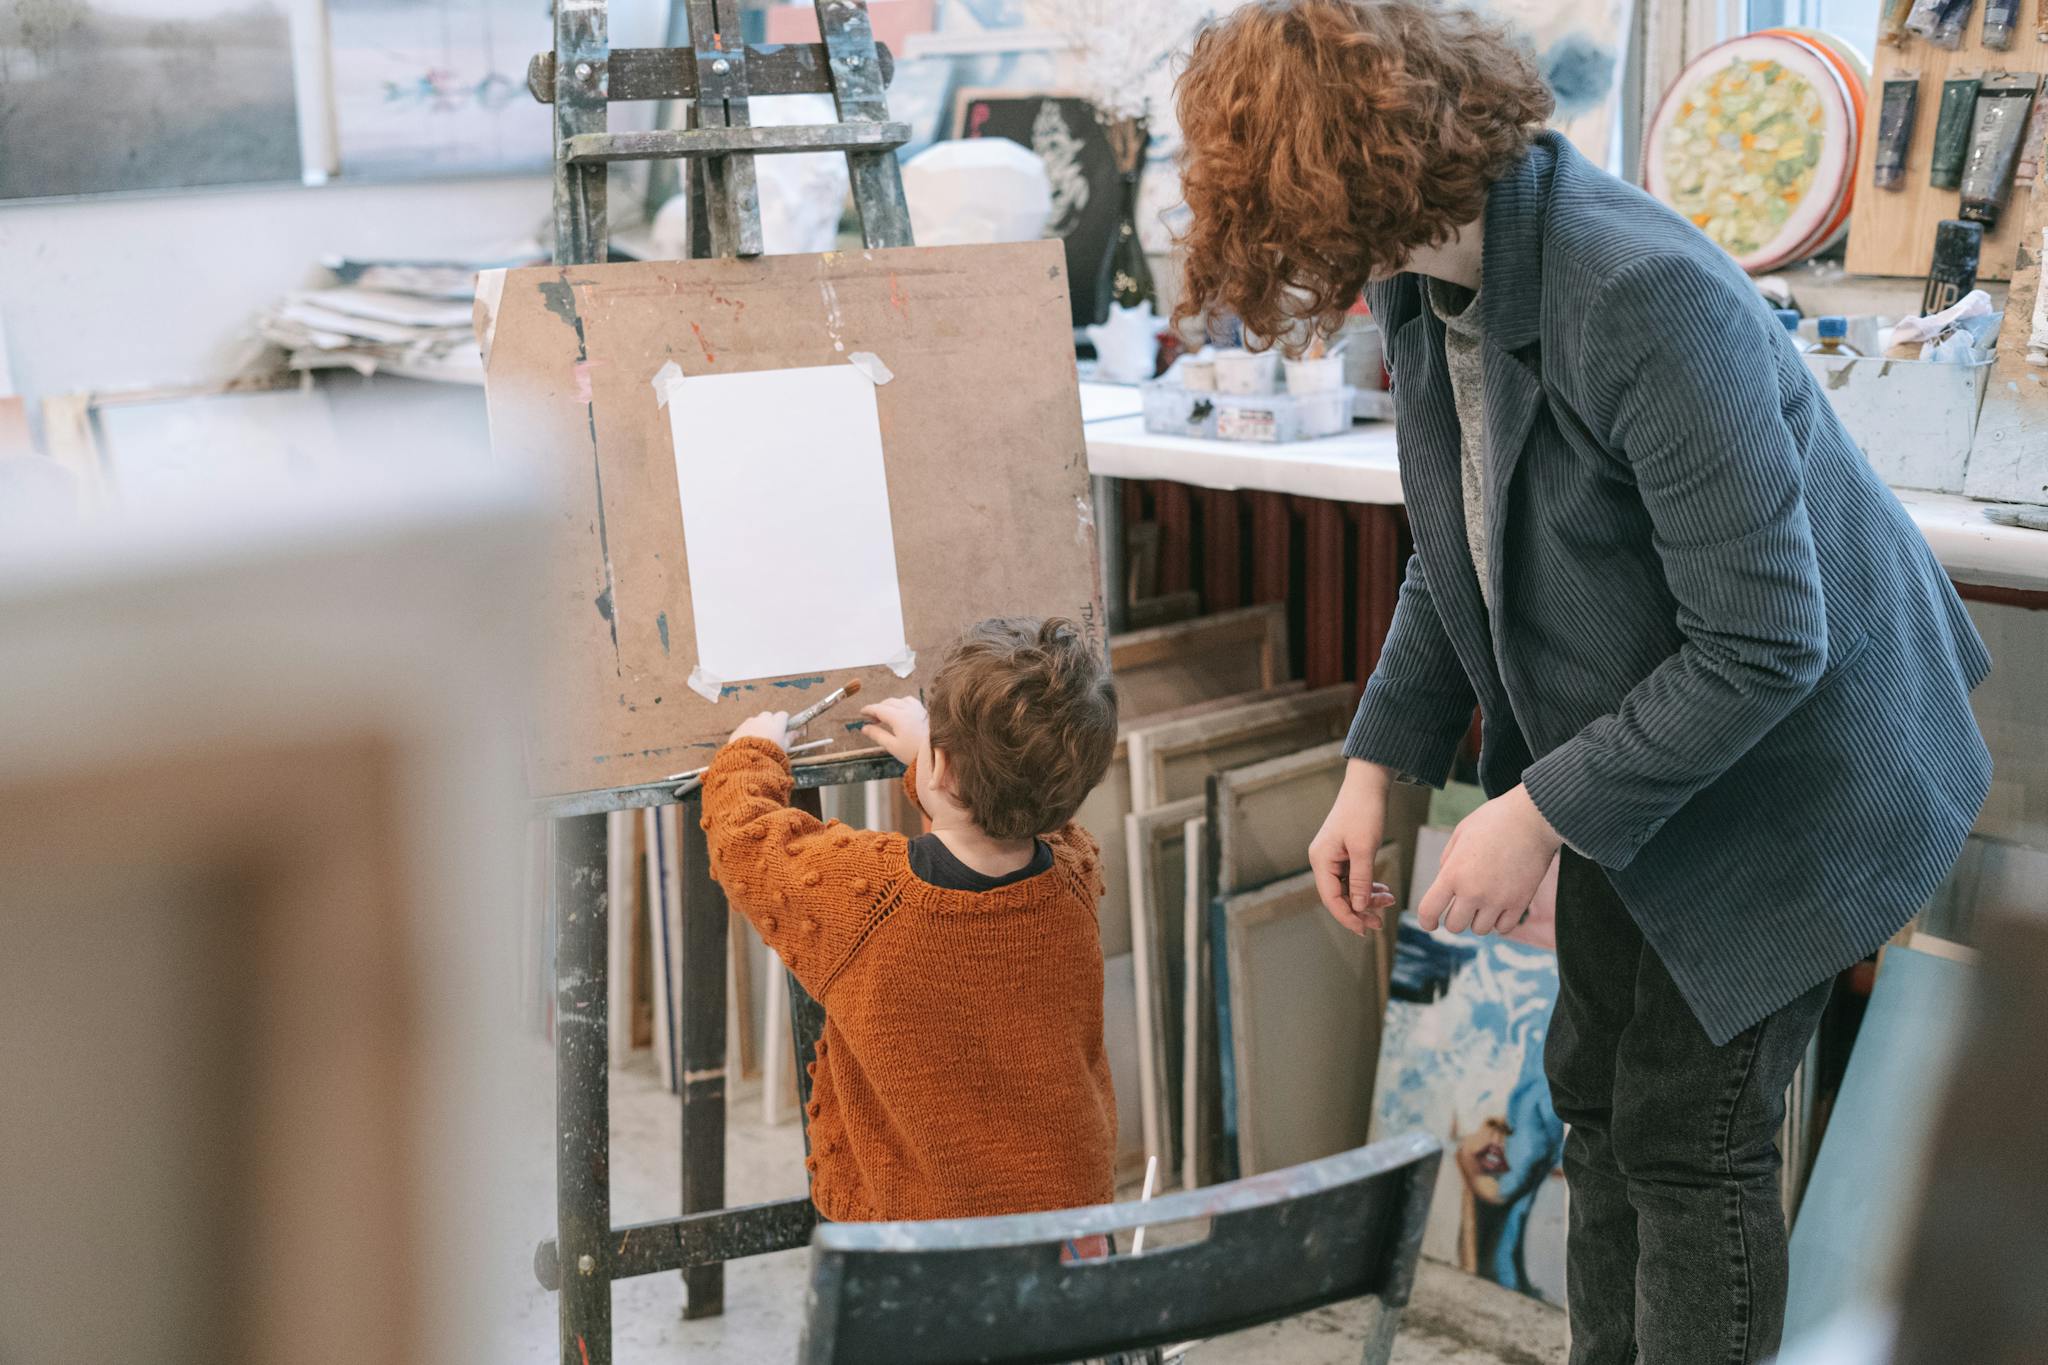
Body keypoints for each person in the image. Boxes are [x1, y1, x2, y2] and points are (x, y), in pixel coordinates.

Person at [1172, 2, 1992, 1361]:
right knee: (1596, 1101)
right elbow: (1465, 545)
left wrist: (1537, 810)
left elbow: (1766, 643)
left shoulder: (1638, 291)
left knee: (1689, 1135)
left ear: (1354, 170)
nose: (1283, 254)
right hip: (1654, 749)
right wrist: (1384, 761)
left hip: (1801, 763)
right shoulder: (1433, 273)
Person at [701, 617, 1122, 1222]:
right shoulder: (1075, 872)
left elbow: (746, 844)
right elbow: (1021, 817)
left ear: (944, 767)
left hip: (918, 1242)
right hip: (1067, 1221)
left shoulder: (869, 897)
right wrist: (944, 765)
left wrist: (750, 754)